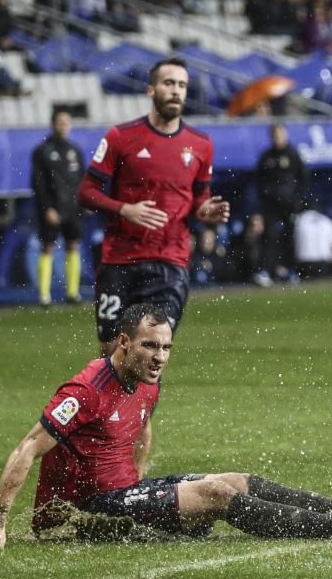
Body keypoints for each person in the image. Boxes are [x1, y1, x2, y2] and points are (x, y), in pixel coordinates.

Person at [0, 303, 332, 550]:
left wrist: (139, 485)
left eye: (167, 347)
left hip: (121, 496)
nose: (160, 357)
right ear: (123, 343)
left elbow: (143, 427)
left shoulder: (146, 380)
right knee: (218, 495)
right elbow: (27, 448)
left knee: (238, 479)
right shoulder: (85, 390)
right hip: (86, 510)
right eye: (150, 346)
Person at [77, 57, 230, 357]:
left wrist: (205, 212)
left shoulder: (201, 144)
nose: (176, 91)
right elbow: (86, 192)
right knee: (112, 354)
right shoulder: (121, 137)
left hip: (169, 264)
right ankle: (109, 405)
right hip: (120, 260)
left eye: (182, 85)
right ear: (151, 89)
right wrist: (124, 209)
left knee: (151, 351)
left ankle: (141, 406)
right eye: (169, 83)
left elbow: (200, 197)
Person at [32, 108, 87, 306]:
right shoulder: (42, 152)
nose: (64, 126)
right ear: (53, 124)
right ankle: (44, 295)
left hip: (72, 208)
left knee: (73, 244)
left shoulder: (75, 151)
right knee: (48, 247)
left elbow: (82, 179)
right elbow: (38, 184)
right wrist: (47, 208)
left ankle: (73, 293)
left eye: (67, 122)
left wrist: (84, 202)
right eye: (60, 122)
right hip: (53, 208)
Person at [254, 122, 308, 284]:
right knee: (269, 236)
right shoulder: (266, 157)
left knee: (290, 237)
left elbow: (303, 179)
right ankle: (266, 270)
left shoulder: (293, 155)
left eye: (280, 134)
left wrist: (298, 200)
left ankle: (290, 270)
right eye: (275, 135)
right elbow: (259, 181)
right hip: (270, 205)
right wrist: (263, 200)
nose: (278, 138)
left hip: (290, 204)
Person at [293, 200, 332, 281]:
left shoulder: (298, 220)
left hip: (305, 264)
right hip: (324, 264)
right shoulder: (328, 222)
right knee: (325, 291)